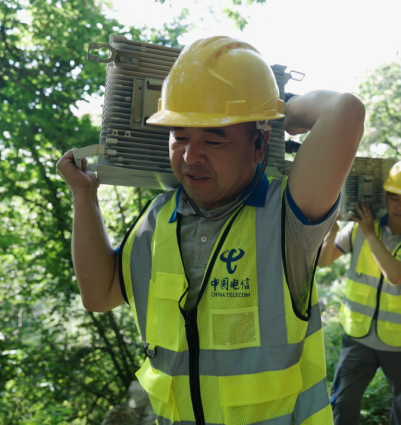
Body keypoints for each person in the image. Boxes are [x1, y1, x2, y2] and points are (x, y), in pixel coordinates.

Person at [56, 36, 365, 425]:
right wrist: (84, 198)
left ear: (259, 145)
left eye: (214, 139)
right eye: (179, 136)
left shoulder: (286, 218)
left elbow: (346, 111)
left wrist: (272, 109)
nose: (190, 156)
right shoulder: (157, 220)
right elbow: (98, 295)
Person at [318, 159, 401, 425]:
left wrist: (370, 234)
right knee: (342, 402)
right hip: (358, 336)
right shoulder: (359, 227)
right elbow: (323, 261)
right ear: (384, 197)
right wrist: (330, 232)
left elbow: (396, 275)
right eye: (394, 198)